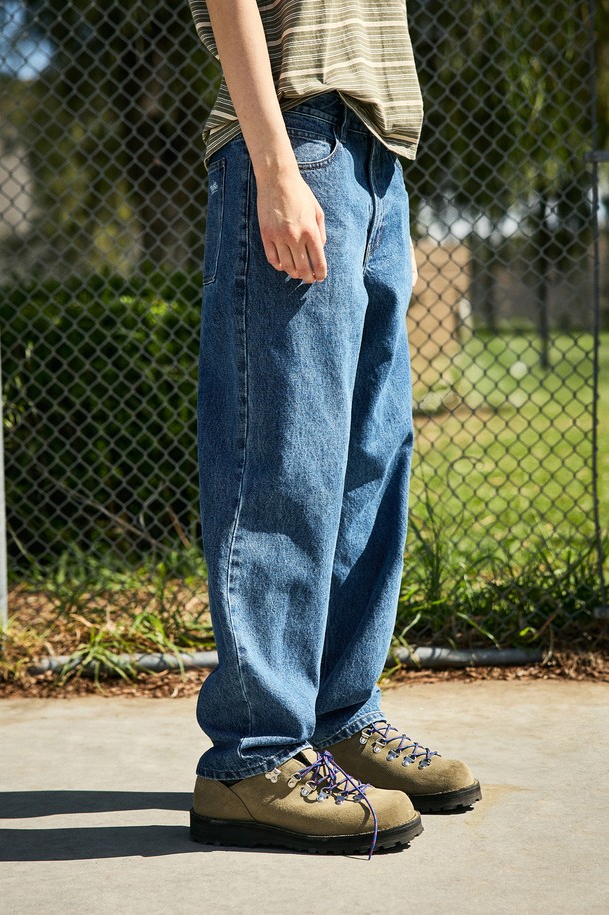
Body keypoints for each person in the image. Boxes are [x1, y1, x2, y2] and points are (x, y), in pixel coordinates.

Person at [187, 0, 481, 858]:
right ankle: (256, 755)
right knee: (285, 460)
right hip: (295, 131)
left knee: (369, 458)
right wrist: (276, 164)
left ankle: (340, 717)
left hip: (375, 147)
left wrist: (385, 199)